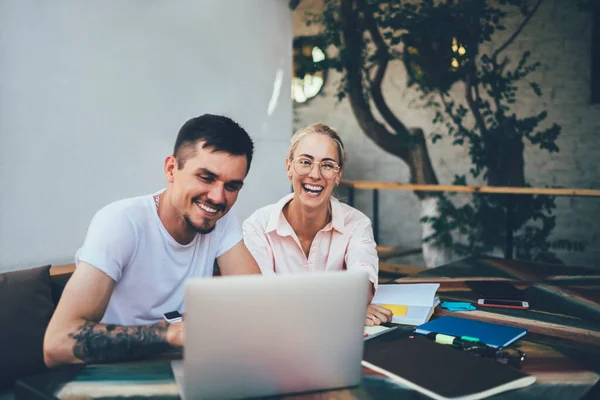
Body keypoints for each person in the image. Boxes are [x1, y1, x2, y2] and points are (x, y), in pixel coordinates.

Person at [43, 114, 261, 368]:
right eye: (206, 177)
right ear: (171, 169)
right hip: (118, 376)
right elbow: (56, 344)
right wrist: (173, 333)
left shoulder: (220, 217)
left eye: (232, 186)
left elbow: (254, 303)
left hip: (187, 371)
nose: (218, 197)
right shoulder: (121, 222)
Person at [242, 123, 392, 326]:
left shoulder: (357, 224)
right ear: (289, 167)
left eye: (328, 165)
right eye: (305, 162)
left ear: (338, 175)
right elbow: (261, 299)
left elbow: (362, 286)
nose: (315, 174)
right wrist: (347, 307)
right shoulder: (257, 226)